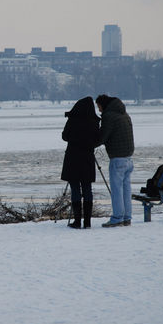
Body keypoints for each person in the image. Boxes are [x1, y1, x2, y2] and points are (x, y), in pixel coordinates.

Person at [95, 94, 135, 227]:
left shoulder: (109, 116)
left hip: (117, 158)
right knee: (126, 189)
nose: (99, 110)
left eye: (99, 107)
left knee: (117, 190)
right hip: (129, 157)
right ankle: (127, 217)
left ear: (103, 104)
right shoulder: (124, 114)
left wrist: (89, 141)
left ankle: (117, 217)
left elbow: (101, 137)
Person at [61, 97, 100, 229]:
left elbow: (65, 136)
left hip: (72, 157)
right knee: (87, 188)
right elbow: (97, 140)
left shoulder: (73, 119)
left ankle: (77, 221)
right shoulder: (94, 121)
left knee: (75, 189)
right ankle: (87, 222)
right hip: (87, 158)